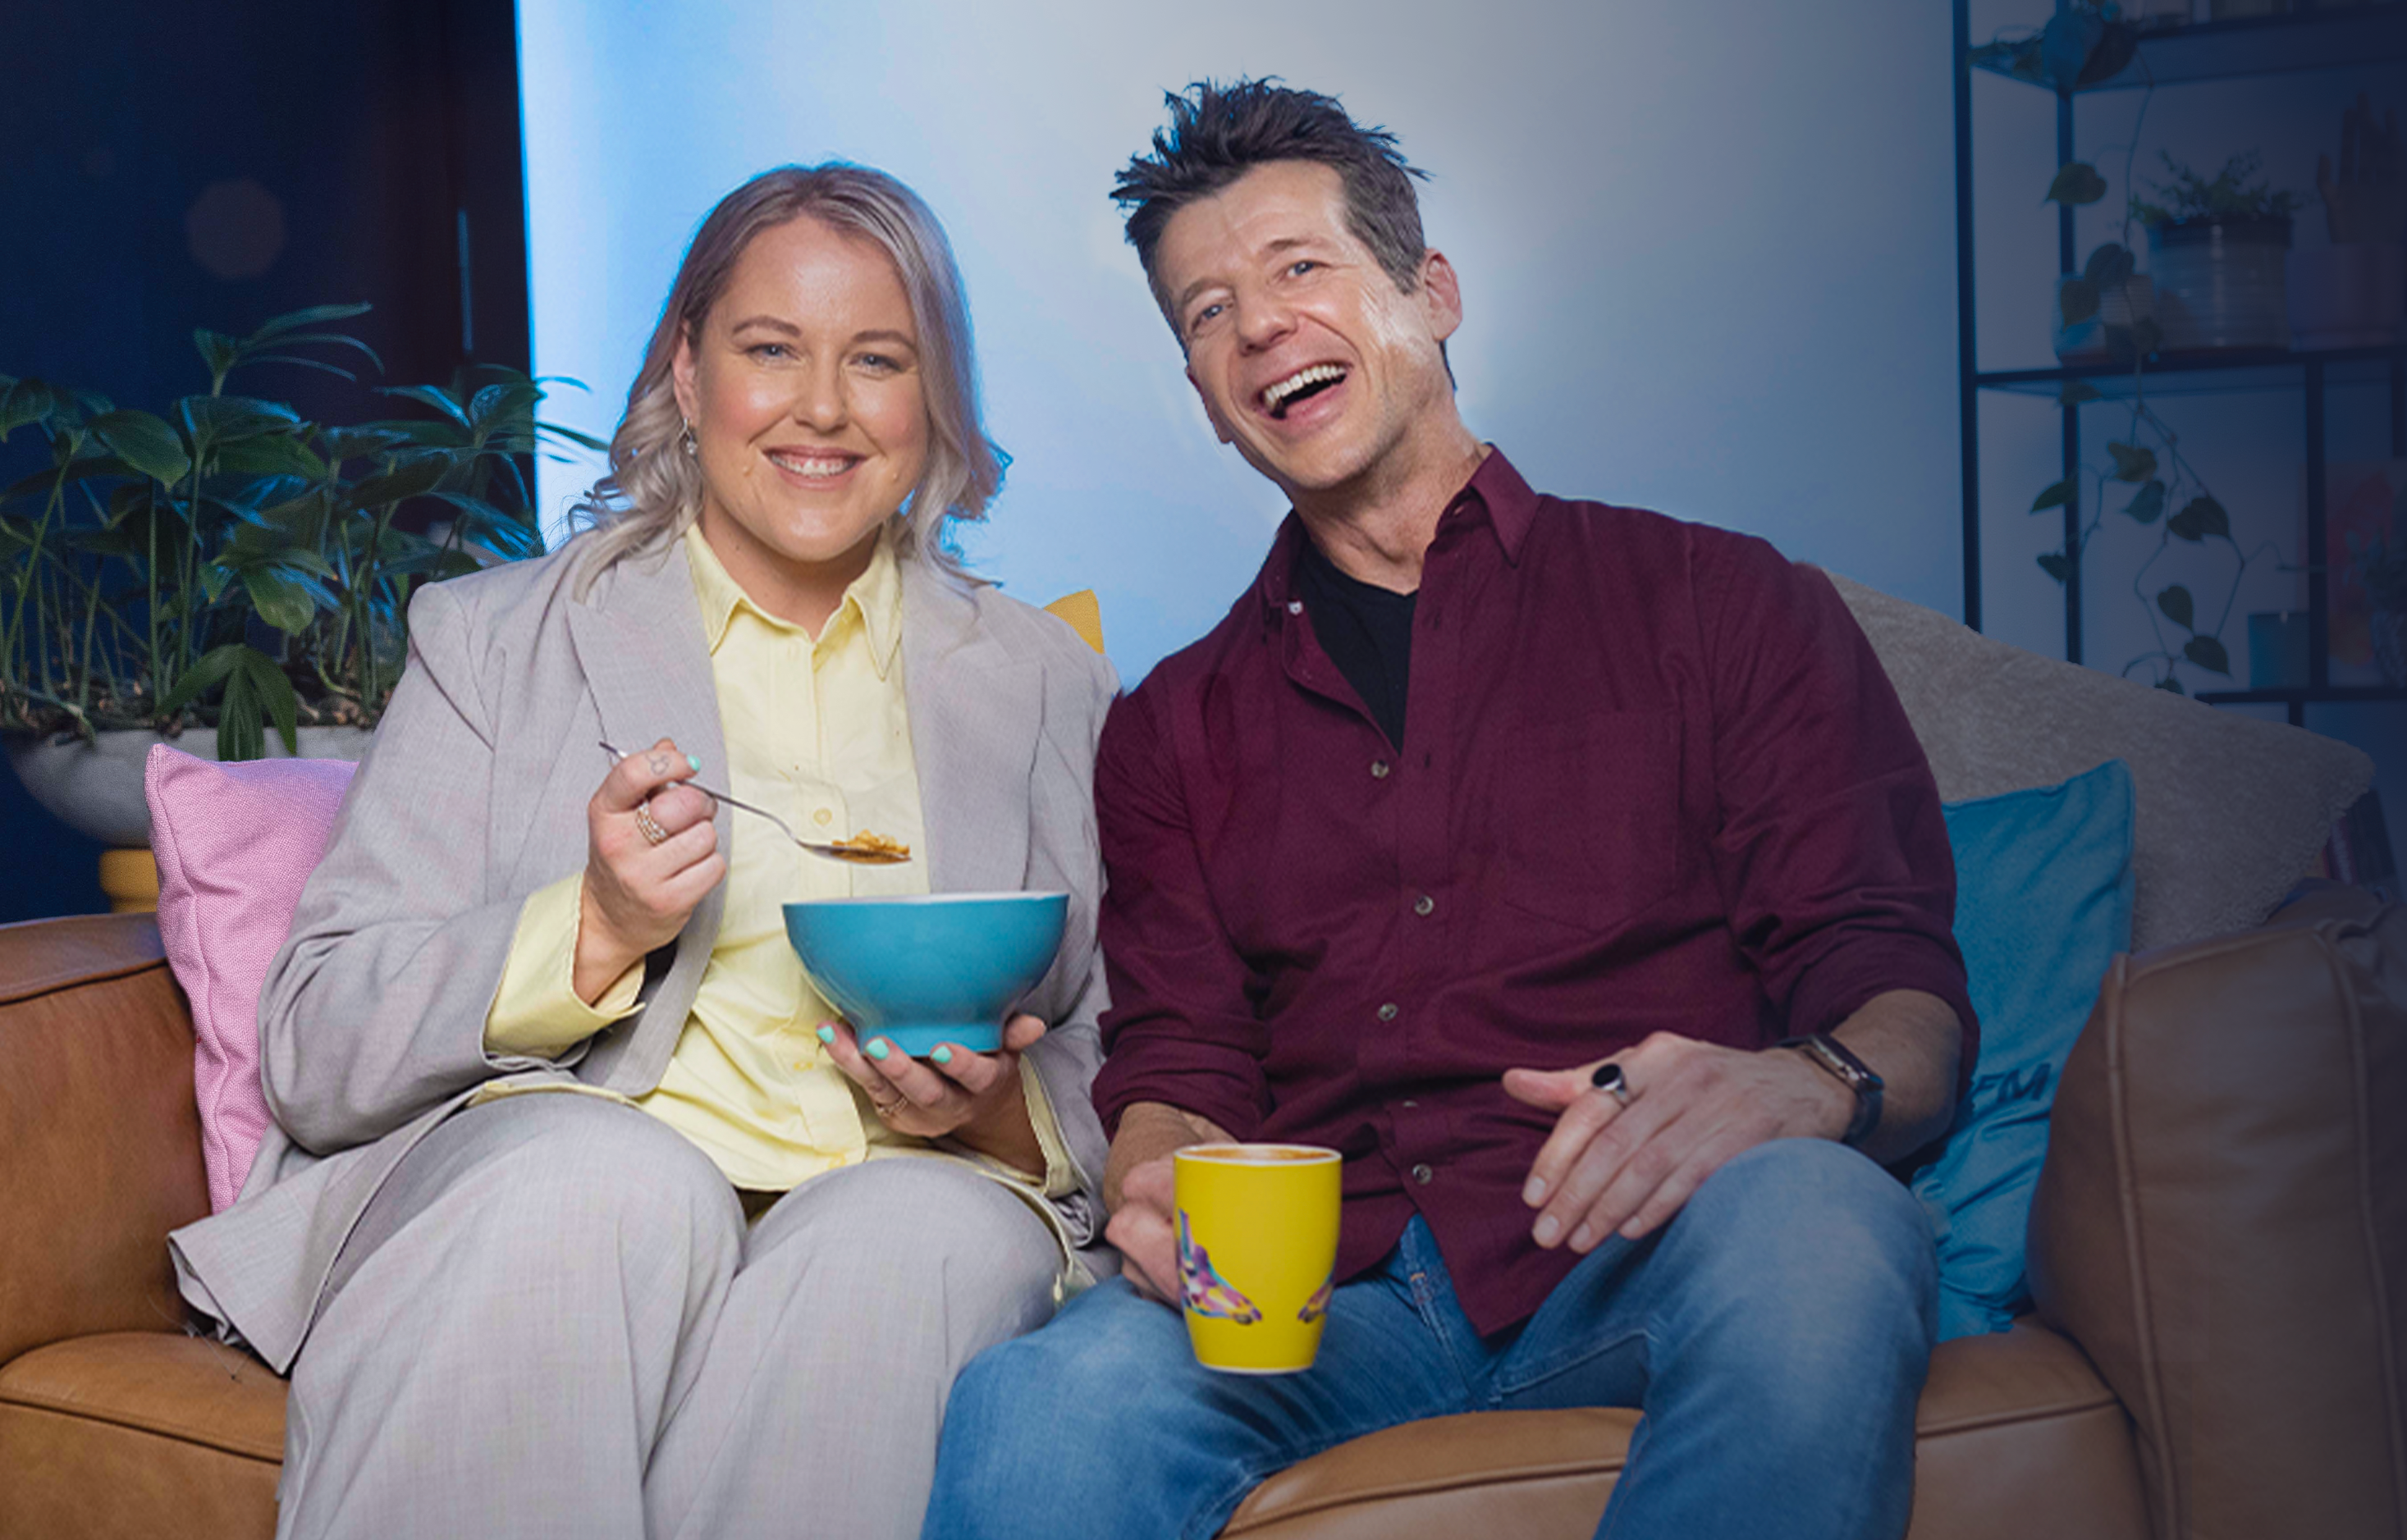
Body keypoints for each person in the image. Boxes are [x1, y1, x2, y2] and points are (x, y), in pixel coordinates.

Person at [924, 80, 1975, 1540]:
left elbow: (1898, 988)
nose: (1261, 326)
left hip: (1657, 1245)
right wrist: (1159, 1167)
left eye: (1301, 269)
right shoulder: (1169, 727)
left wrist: (1809, 1087)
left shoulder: (1723, 603)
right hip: (1329, 1304)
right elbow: (1183, 1051)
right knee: (1043, 1402)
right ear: (1205, 397)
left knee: (1823, 1219)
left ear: (1432, 293)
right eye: (1208, 313)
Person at [167, 162, 1119, 1540]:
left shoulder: (1047, 681)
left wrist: (992, 1118)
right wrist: (596, 927)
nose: (822, 409)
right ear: (686, 369)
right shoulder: (493, 641)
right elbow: (317, 1047)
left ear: (935, 404)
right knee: (614, 1184)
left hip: (904, 1189)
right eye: (769, 350)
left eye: (878, 360)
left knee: (924, 1238)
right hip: (571, 1167)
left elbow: (1120, 1057)